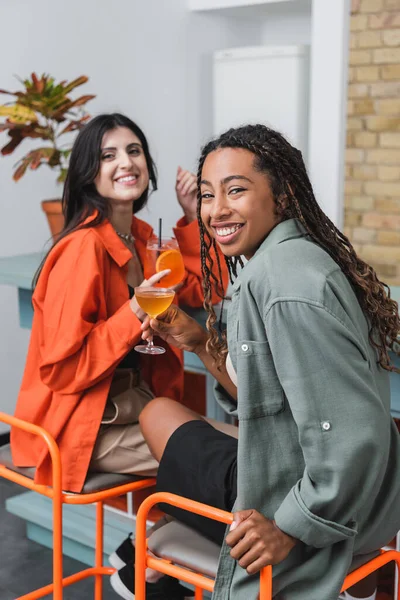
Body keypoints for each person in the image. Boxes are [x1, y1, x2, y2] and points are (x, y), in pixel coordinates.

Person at [137, 124, 400, 600]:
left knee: (155, 415)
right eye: (208, 195)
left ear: (282, 196)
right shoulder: (289, 260)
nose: (217, 210)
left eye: (236, 190)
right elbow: (270, 398)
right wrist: (197, 341)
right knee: (162, 416)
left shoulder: (283, 284)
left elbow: (350, 430)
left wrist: (291, 528)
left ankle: (146, 556)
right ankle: (147, 554)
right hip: (343, 486)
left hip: (313, 503)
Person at [10, 113, 229, 600]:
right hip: (82, 425)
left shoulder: (143, 238)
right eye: (108, 155)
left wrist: (194, 217)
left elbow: (202, 291)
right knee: (219, 461)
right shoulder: (81, 248)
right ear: (89, 173)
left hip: (134, 408)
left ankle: (141, 553)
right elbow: (62, 369)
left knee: (225, 450)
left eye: (133, 151)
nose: (125, 162)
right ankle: (148, 566)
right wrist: (133, 312)